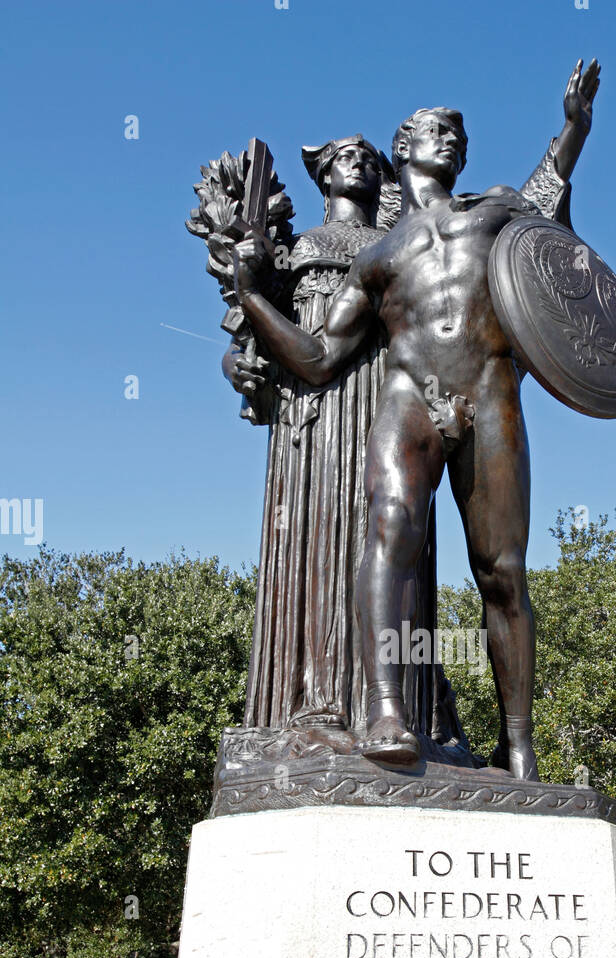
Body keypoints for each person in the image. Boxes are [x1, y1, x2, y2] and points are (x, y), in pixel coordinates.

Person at [234, 60, 601, 779]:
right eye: (437, 131)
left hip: (488, 393)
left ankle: (519, 747)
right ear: (404, 148)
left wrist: (573, 128)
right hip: (409, 396)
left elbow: (552, 230)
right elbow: (317, 358)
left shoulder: (495, 209)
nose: (452, 141)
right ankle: (388, 710)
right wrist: (251, 297)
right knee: (391, 528)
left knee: (502, 571)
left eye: (458, 136)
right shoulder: (375, 257)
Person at [224, 135, 468, 760]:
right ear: (323, 176)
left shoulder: (402, 242)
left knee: (393, 544)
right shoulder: (297, 250)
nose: (356, 164)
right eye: (342, 157)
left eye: (366, 157)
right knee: (322, 541)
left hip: (390, 406)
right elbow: (255, 337)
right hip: (316, 417)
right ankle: (317, 703)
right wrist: (237, 361)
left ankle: (401, 711)